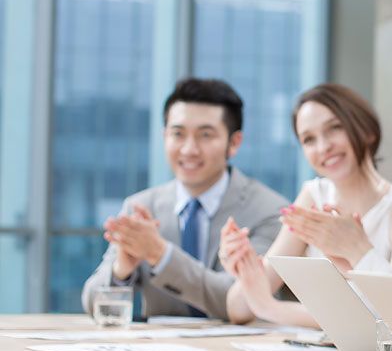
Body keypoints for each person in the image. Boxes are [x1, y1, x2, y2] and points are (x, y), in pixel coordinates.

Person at [82, 78, 287, 321]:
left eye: (205, 135)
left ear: (234, 143)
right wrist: (122, 269)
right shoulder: (141, 207)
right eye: (178, 134)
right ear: (164, 136)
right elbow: (93, 303)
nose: (189, 149)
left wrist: (160, 254)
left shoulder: (270, 211)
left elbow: (241, 301)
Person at [217, 84, 392, 327]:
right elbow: (239, 308)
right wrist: (244, 267)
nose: (323, 147)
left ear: (367, 131)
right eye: (309, 139)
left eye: (334, 128)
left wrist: (271, 308)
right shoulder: (313, 197)